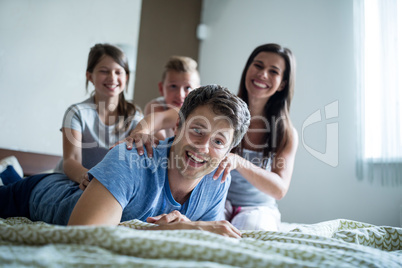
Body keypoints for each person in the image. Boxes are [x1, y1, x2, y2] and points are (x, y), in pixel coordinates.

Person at [0, 85, 250, 238]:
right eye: (197, 130)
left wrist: (191, 228)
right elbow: (83, 233)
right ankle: (11, 172)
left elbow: (205, 230)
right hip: (40, 194)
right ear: (178, 125)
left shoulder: (218, 179)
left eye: (219, 141)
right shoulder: (131, 158)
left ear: (229, 149)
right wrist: (180, 229)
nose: (203, 147)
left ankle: (11, 171)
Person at [126, 43, 298, 231]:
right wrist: (139, 135)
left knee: (247, 230)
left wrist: (238, 161)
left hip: (256, 207)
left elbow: (279, 189)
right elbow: (160, 118)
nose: (263, 74)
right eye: (258, 65)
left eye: (273, 71)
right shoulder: (223, 107)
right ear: (247, 69)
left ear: (282, 83)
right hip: (214, 199)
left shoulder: (285, 132)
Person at [54, 43, 143, 190]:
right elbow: (71, 160)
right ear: (89, 76)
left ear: (126, 77)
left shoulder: (135, 116)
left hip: (106, 186)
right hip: (71, 180)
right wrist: (90, 179)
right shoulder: (76, 113)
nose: (112, 78)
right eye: (104, 71)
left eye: (118, 72)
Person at [143, 55, 200, 140]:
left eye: (187, 88)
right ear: (161, 88)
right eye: (173, 86)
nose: (180, 94)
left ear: (198, 92)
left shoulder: (202, 111)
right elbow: (163, 144)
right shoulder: (155, 107)